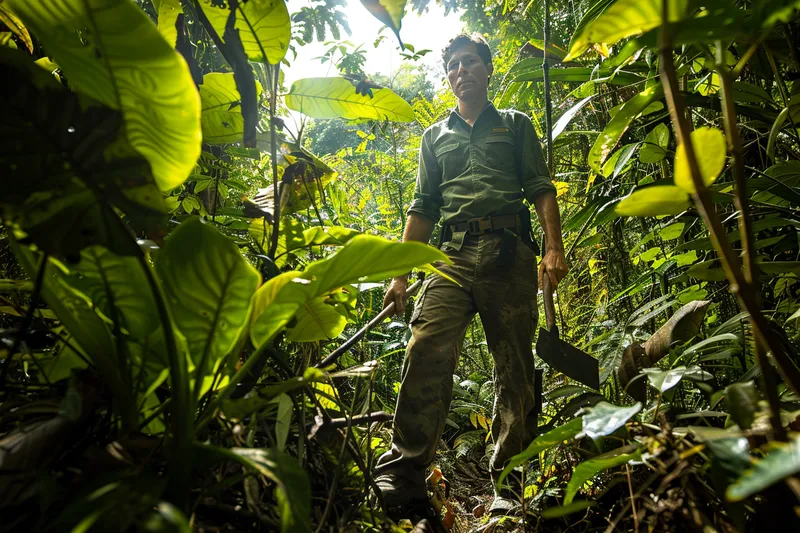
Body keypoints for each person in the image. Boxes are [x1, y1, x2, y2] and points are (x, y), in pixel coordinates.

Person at [373, 33, 569, 528]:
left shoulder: (515, 126)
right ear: (448, 78)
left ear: (487, 69)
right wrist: (400, 275)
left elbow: (541, 188)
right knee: (425, 348)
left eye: (469, 62)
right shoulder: (434, 137)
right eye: (453, 66)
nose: (461, 71)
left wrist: (552, 247)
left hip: (509, 251)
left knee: (515, 367)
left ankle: (510, 485)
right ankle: (402, 475)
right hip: (451, 255)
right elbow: (422, 207)